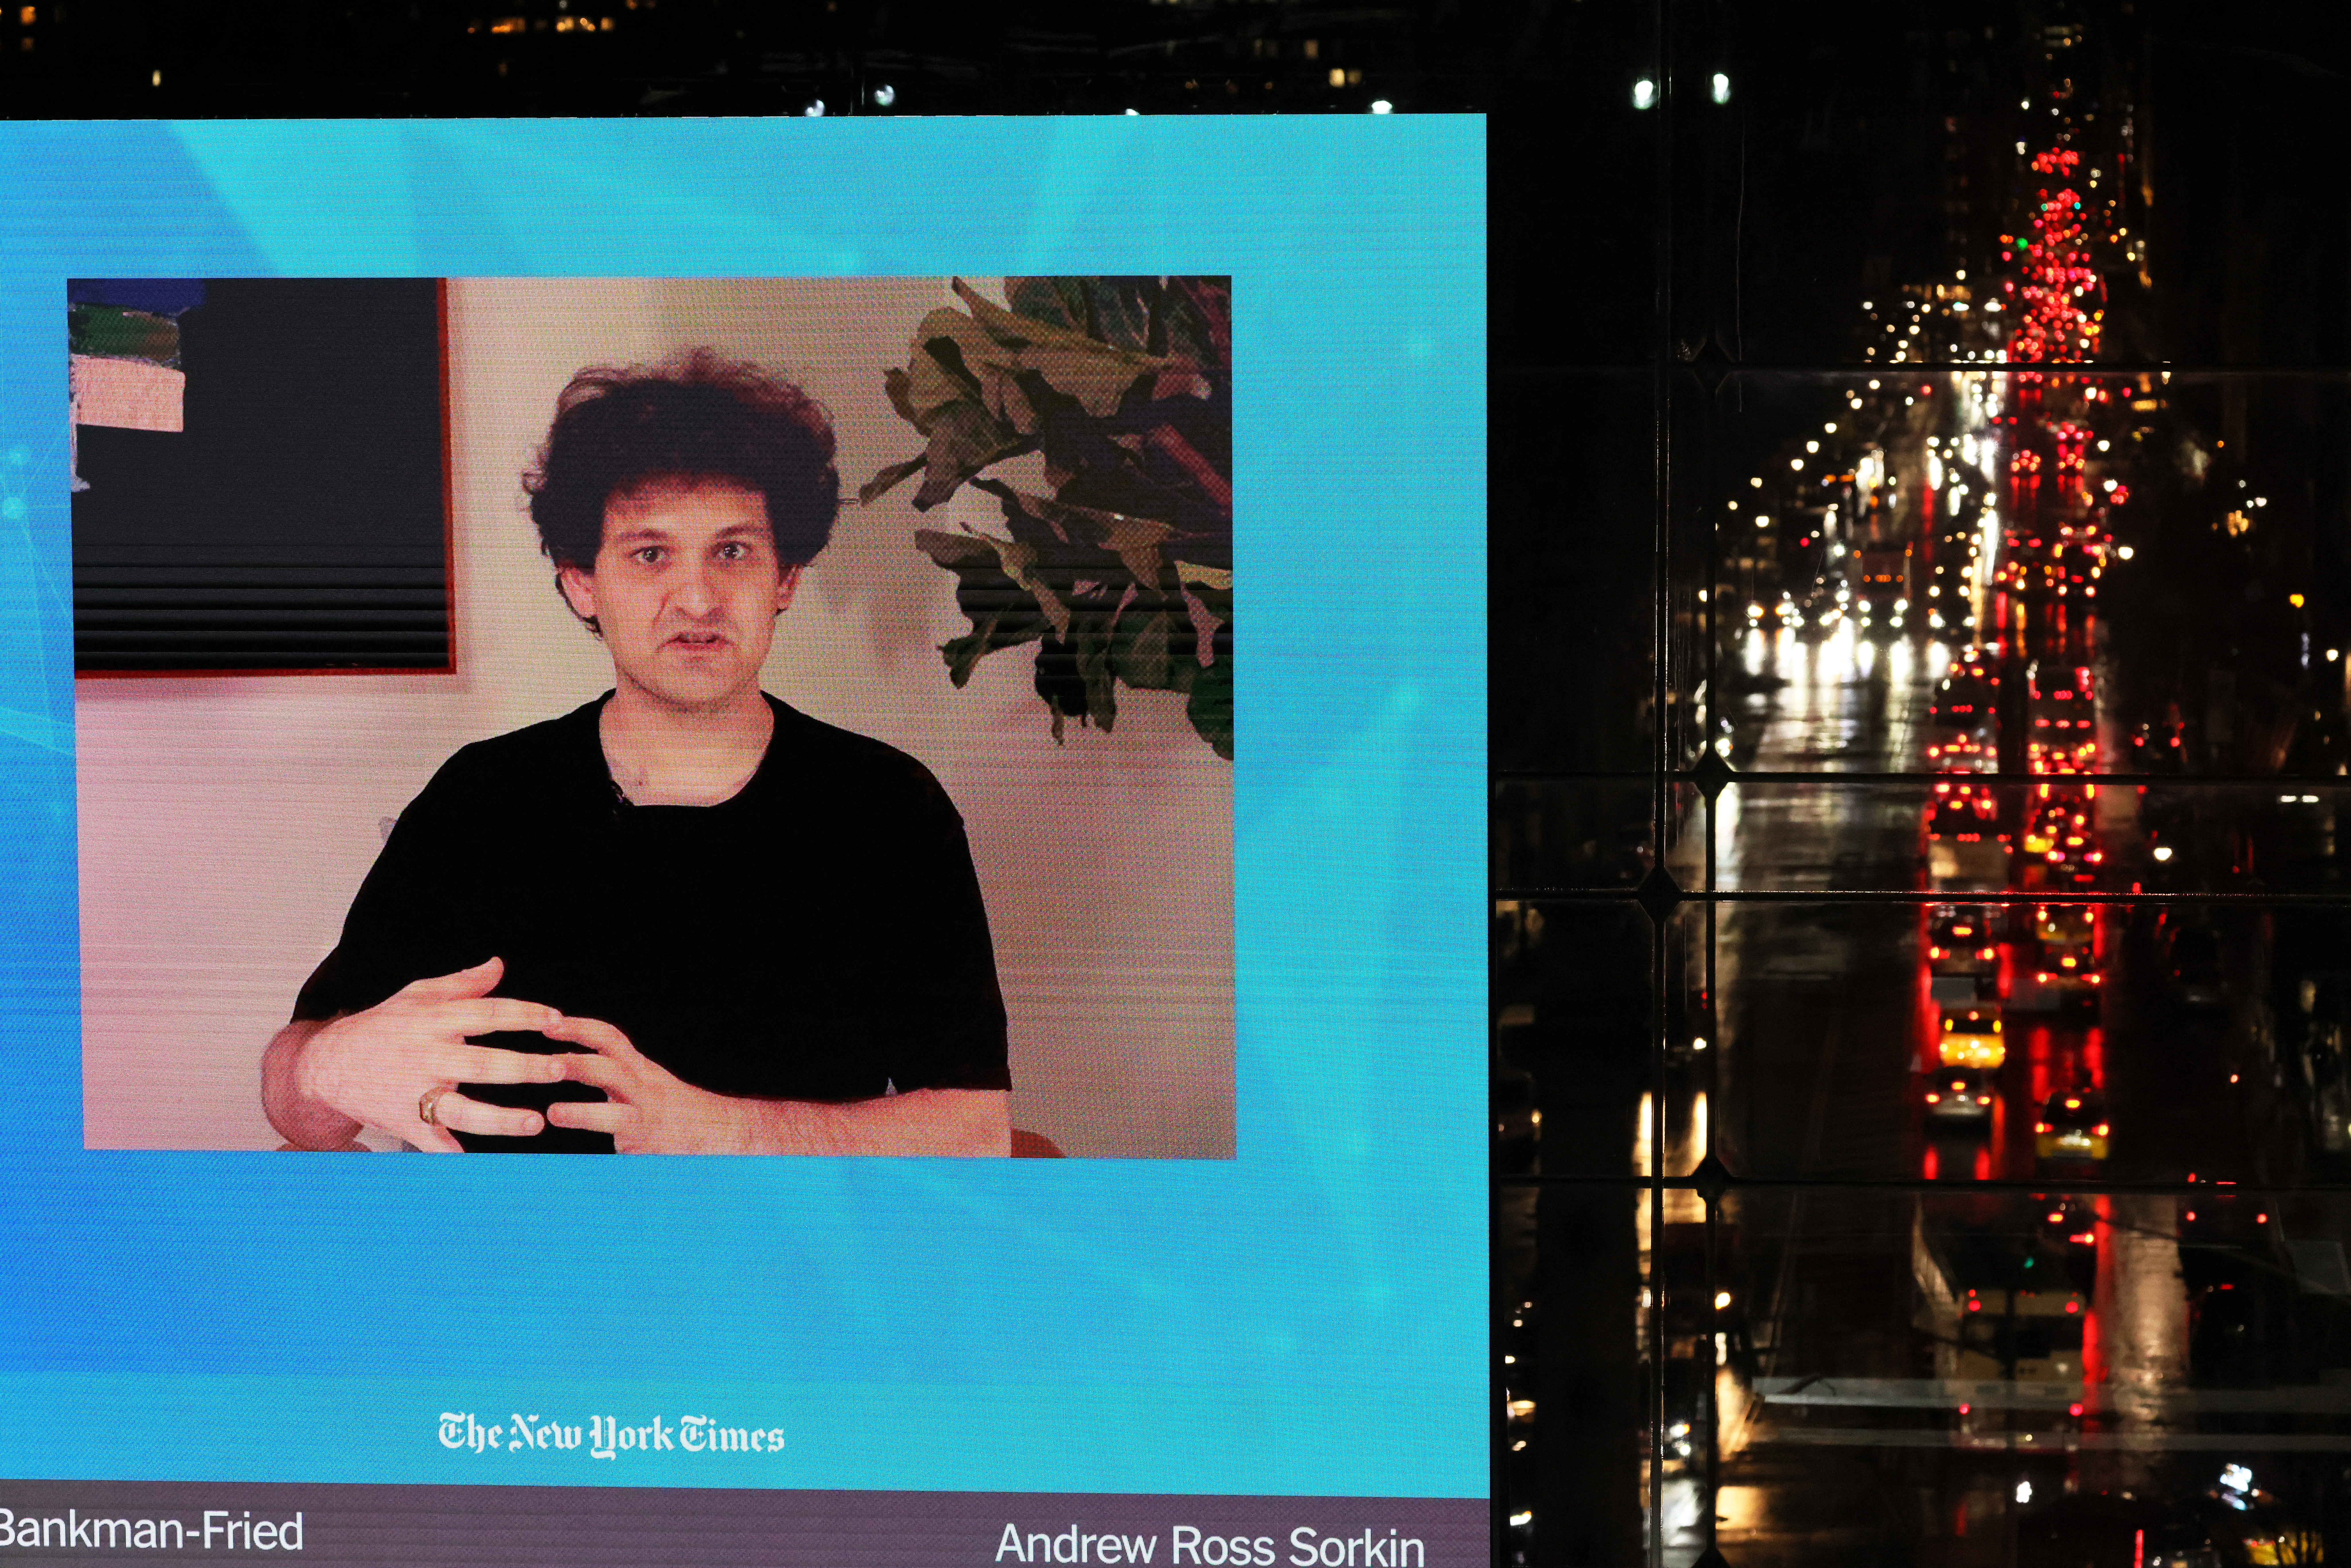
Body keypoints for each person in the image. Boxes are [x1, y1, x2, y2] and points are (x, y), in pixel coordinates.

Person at [259, 352, 1012, 1155]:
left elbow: (977, 1129)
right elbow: (293, 1087)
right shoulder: (483, 799)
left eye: (733, 552)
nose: (697, 599)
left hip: (778, 1261)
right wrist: (320, 1069)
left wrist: (722, 1129)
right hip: (523, 1262)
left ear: (786, 577)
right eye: (651, 554)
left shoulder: (887, 809)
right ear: (582, 582)